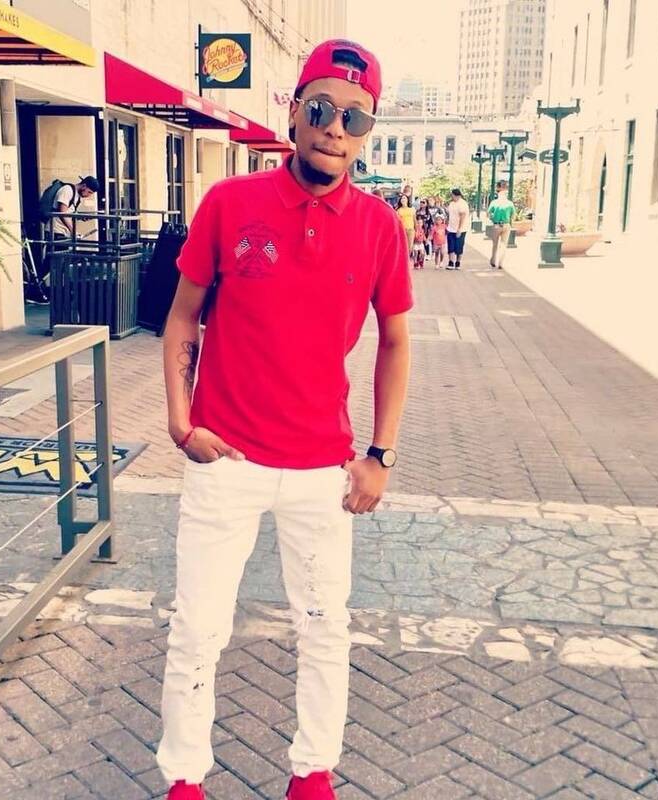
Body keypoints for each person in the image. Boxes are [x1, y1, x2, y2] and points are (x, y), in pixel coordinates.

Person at [158, 39, 412, 800]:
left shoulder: (379, 227)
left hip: (321, 470)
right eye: (323, 108)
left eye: (355, 116)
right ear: (295, 112)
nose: (336, 127)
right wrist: (180, 422)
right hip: (225, 461)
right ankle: (184, 779)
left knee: (325, 625)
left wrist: (380, 456)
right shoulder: (229, 204)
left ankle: (313, 774)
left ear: (368, 131)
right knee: (197, 628)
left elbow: (396, 341)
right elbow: (183, 317)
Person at [488, 179, 516, 269]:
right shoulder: (510, 203)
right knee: (503, 244)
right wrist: (510, 221)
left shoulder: (494, 202)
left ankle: (493, 260)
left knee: (495, 244)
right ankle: (500, 263)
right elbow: (513, 215)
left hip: (496, 224)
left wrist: (493, 218)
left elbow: (488, 213)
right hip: (506, 224)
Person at [446, 187, 470, 270]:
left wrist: (459, 229)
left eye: (453, 195)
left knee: (459, 246)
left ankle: (458, 262)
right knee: (451, 246)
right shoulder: (451, 204)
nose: (452, 197)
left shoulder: (462, 204)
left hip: (460, 229)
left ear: (458, 196)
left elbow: (462, 217)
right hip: (451, 228)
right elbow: (449, 215)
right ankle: (451, 262)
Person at [396, 193, 415, 259]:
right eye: (402, 198)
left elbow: (414, 220)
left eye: (404, 198)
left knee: (410, 247)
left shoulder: (412, 209)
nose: (403, 199)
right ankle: (403, 260)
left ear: (407, 200)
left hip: (410, 230)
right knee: (403, 246)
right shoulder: (398, 210)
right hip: (402, 230)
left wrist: (416, 230)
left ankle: (407, 260)